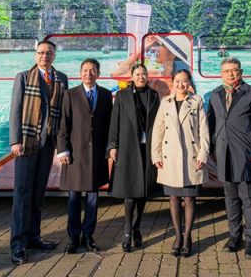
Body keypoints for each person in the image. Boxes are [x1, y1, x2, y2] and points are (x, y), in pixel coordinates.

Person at [9, 40, 68, 265]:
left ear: (54, 56)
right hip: (27, 143)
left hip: (47, 144)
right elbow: (15, 110)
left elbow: (63, 112)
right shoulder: (24, 77)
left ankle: (33, 236)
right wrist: (15, 140)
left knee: (38, 193)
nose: (45, 56)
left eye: (49, 53)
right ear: (36, 55)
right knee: (22, 194)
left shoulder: (61, 79)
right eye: (41, 52)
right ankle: (18, 243)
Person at [207, 57, 251, 259]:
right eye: (227, 71)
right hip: (224, 154)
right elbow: (210, 124)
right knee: (230, 198)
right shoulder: (215, 94)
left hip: (246, 154)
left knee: (248, 199)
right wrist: (211, 149)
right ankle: (234, 236)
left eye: (234, 70)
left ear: (240, 72)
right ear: (221, 74)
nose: (231, 74)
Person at [151, 69, 209, 258]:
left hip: (191, 156)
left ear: (189, 82)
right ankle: (177, 236)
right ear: (172, 82)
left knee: (190, 198)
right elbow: (158, 130)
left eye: (184, 81)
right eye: (177, 81)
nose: (180, 84)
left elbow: (203, 131)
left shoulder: (196, 101)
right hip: (170, 157)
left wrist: (203, 154)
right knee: (174, 198)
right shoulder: (165, 102)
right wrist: (156, 155)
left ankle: (187, 237)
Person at [57, 58, 113, 254]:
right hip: (75, 155)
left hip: (96, 155)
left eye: (93, 70)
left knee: (92, 199)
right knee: (73, 198)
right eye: (85, 70)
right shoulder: (70, 94)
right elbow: (63, 124)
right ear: (80, 73)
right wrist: (63, 149)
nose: (89, 74)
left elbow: (109, 124)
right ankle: (73, 237)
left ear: (98, 73)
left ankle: (88, 236)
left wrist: (110, 147)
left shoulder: (105, 95)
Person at [107, 63, 161, 252]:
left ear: (147, 76)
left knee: (143, 191)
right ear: (132, 76)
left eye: (143, 74)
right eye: (137, 74)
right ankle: (127, 232)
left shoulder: (154, 95)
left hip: (148, 149)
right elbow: (114, 121)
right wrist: (113, 146)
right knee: (130, 192)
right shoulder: (122, 95)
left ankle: (137, 227)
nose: (141, 77)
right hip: (128, 147)